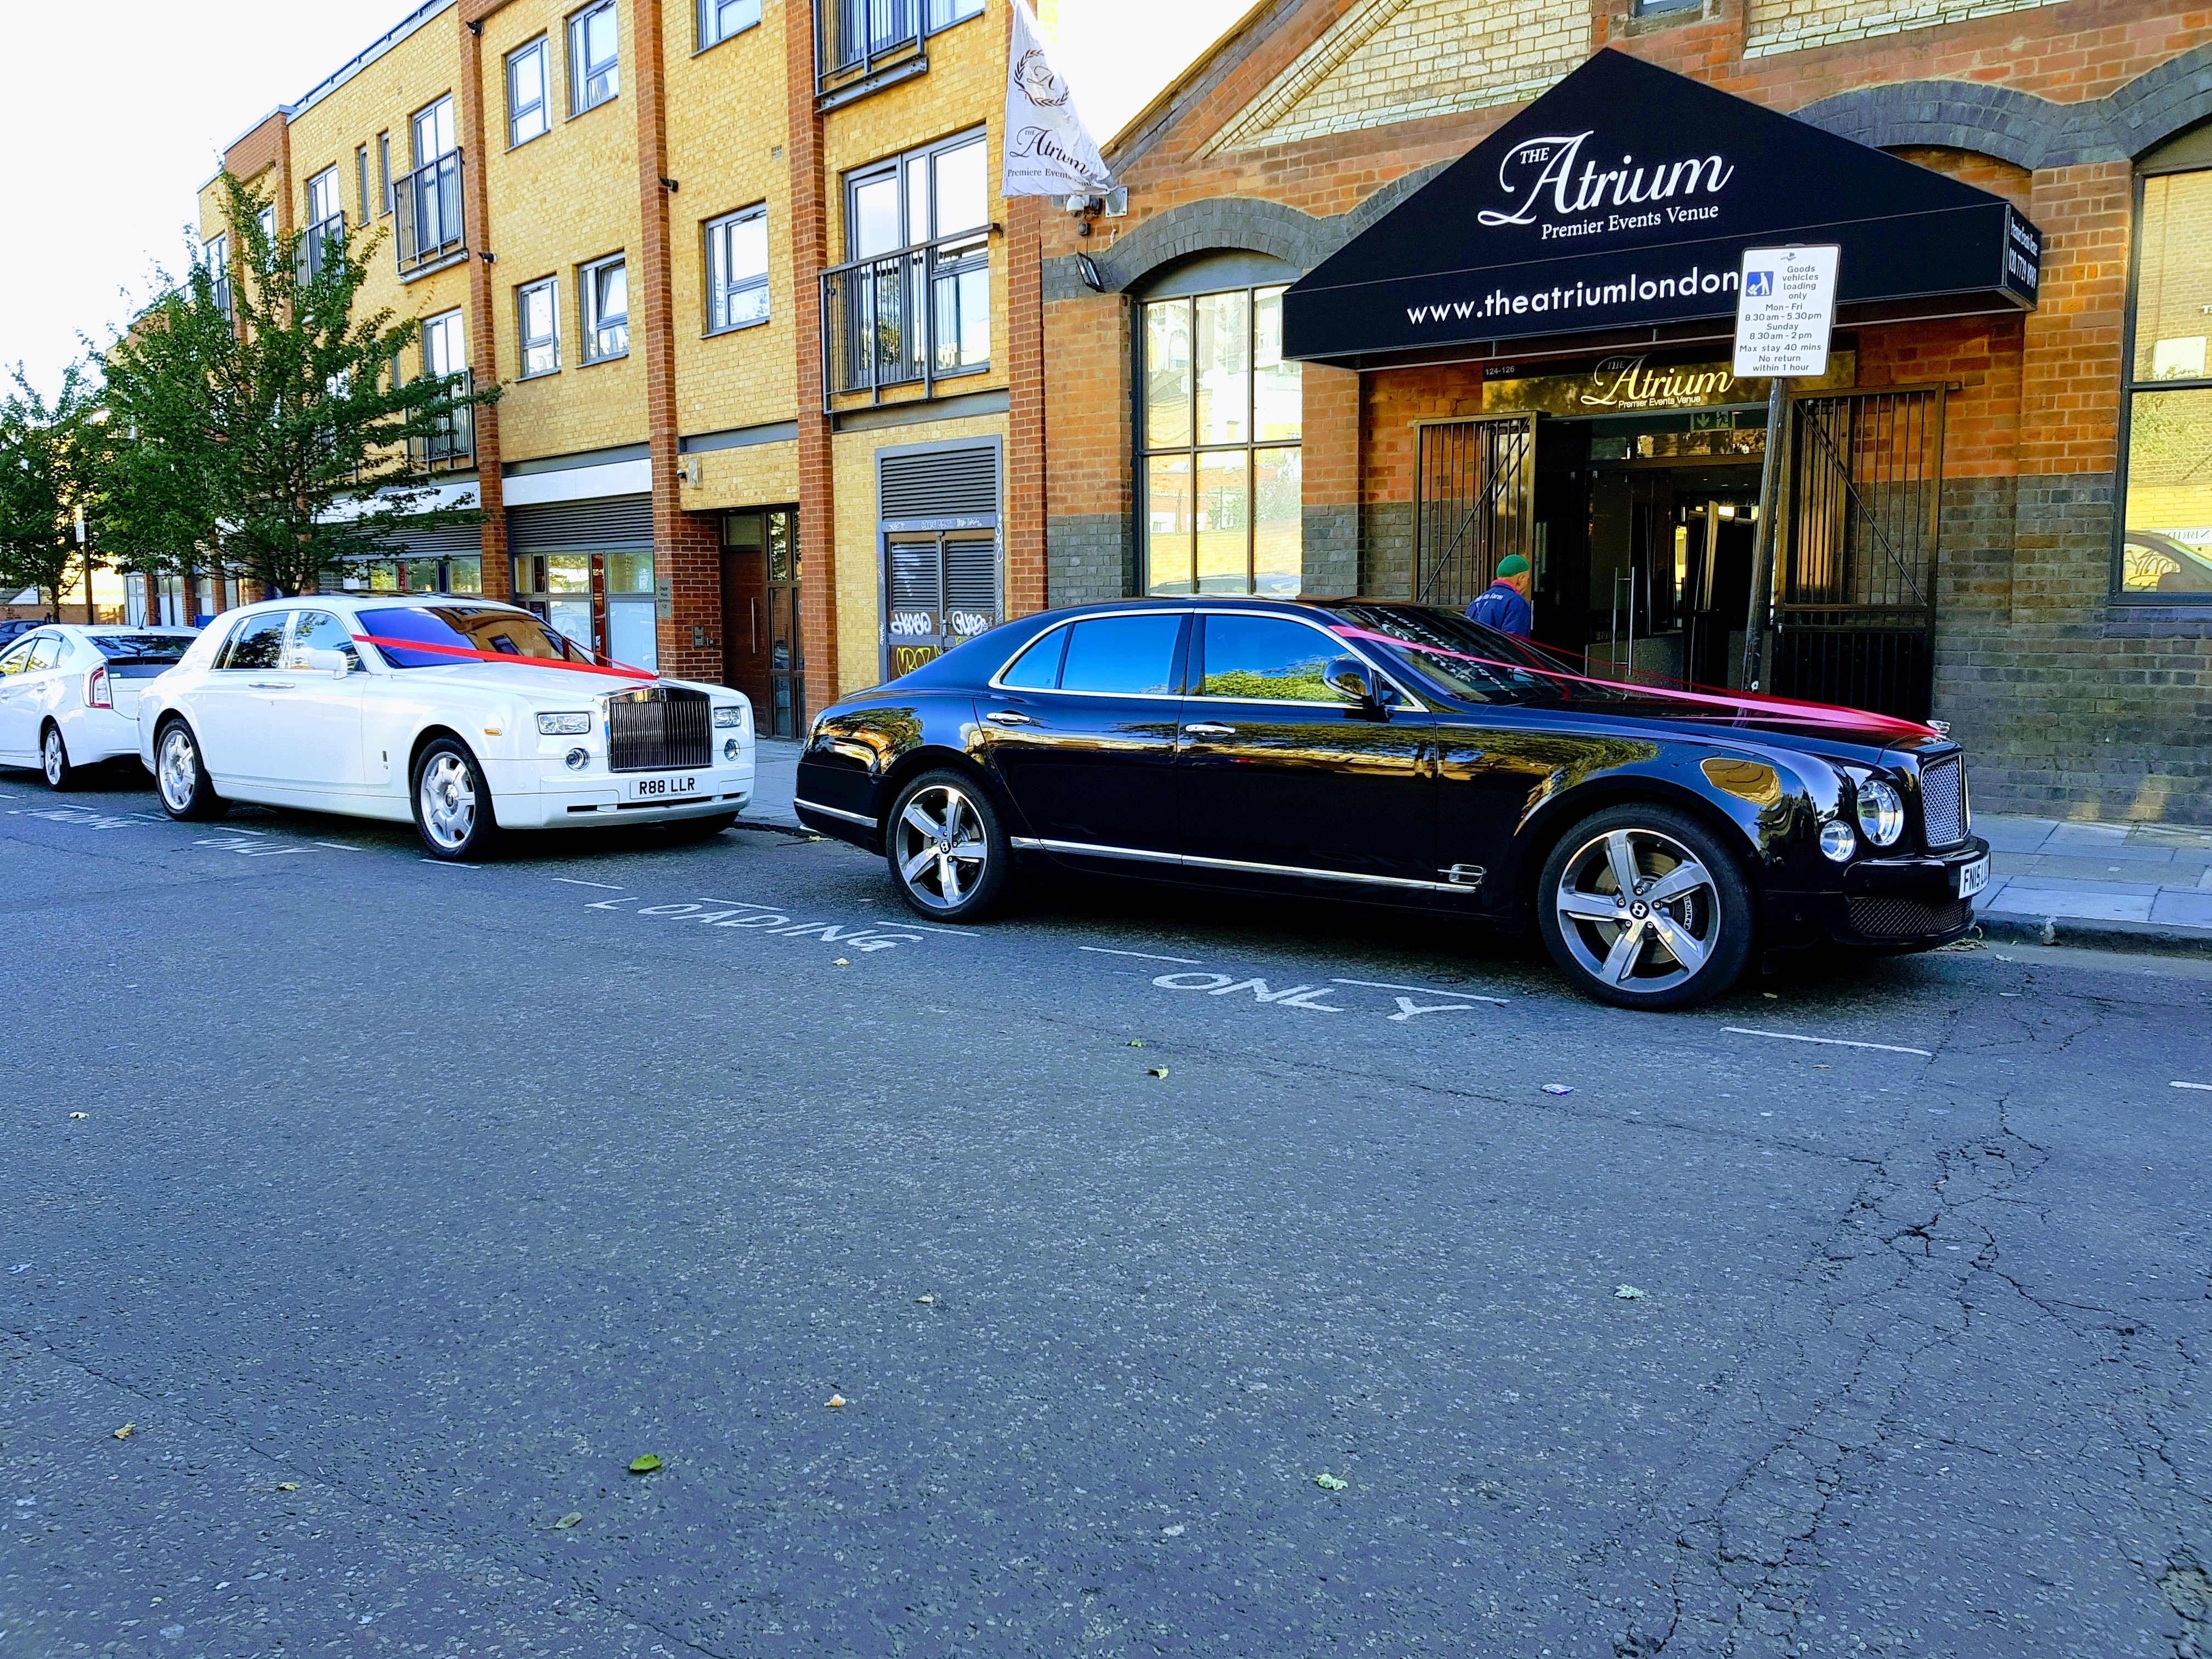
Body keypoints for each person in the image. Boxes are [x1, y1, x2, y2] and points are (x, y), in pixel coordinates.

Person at [1465, 554, 1534, 637]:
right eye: (1527, 579)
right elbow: (1514, 642)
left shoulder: (1476, 602)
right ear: (1520, 579)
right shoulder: (1516, 602)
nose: (1528, 584)